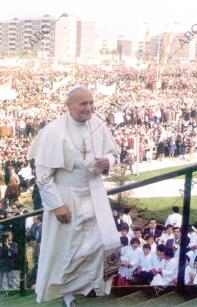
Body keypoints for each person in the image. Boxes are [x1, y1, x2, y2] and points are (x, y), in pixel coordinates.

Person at [27, 86, 120, 306]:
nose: (89, 108)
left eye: (91, 103)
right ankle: (67, 295)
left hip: (95, 193)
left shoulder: (98, 124)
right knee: (67, 250)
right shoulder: (53, 131)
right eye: (83, 103)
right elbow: (43, 176)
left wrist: (109, 162)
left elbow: (112, 153)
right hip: (66, 198)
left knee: (102, 243)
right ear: (68, 106)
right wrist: (57, 205)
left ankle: (91, 285)